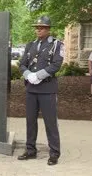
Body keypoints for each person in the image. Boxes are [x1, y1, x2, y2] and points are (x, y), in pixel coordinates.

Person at [18, 16, 64, 166]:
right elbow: (22, 63)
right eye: (37, 27)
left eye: (42, 27)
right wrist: (28, 75)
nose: (38, 30)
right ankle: (30, 149)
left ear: (48, 29)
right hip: (31, 88)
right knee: (30, 121)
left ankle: (54, 153)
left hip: (47, 88)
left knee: (50, 122)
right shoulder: (30, 45)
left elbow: (56, 64)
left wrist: (38, 75)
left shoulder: (56, 45)